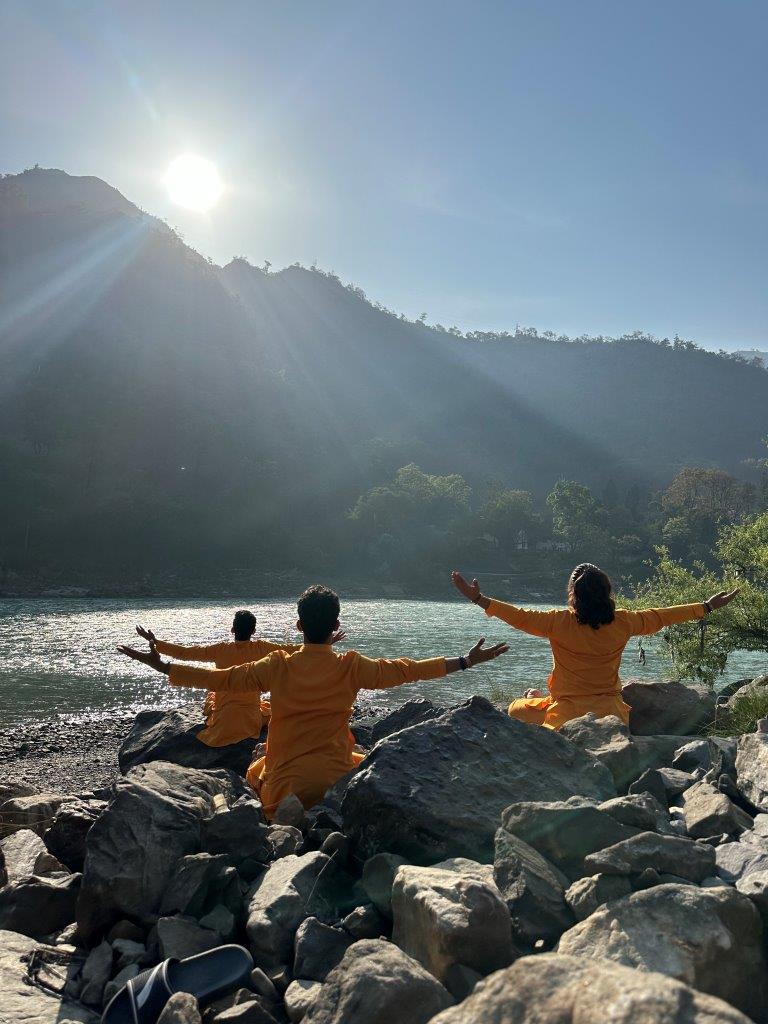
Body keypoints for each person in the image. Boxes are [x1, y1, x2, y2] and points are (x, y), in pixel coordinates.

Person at [119, 584, 508, 817]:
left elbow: (219, 679)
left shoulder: (277, 666)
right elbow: (406, 670)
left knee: (257, 766)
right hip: (337, 779)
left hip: (286, 789)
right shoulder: (352, 667)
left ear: (299, 625)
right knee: (362, 753)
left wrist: (162, 666)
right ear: (336, 627)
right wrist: (464, 661)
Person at [451, 564, 738, 730]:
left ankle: (534, 697)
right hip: (611, 712)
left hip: (564, 713)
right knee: (530, 706)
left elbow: (517, 616)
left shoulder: (558, 622)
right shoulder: (625, 621)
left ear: (573, 594)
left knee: (515, 710)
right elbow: (663, 615)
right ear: (607, 593)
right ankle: (538, 696)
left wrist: (479, 599)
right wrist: (707, 606)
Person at [135, 610, 343, 748]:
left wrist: (155, 643)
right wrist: (325, 642)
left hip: (223, 719)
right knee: (268, 707)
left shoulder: (220, 650)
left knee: (212, 695)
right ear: (253, 631)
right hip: (250, 721)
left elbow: (186, 653)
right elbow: (294, 650)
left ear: (233, 629)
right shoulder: (262, 648)